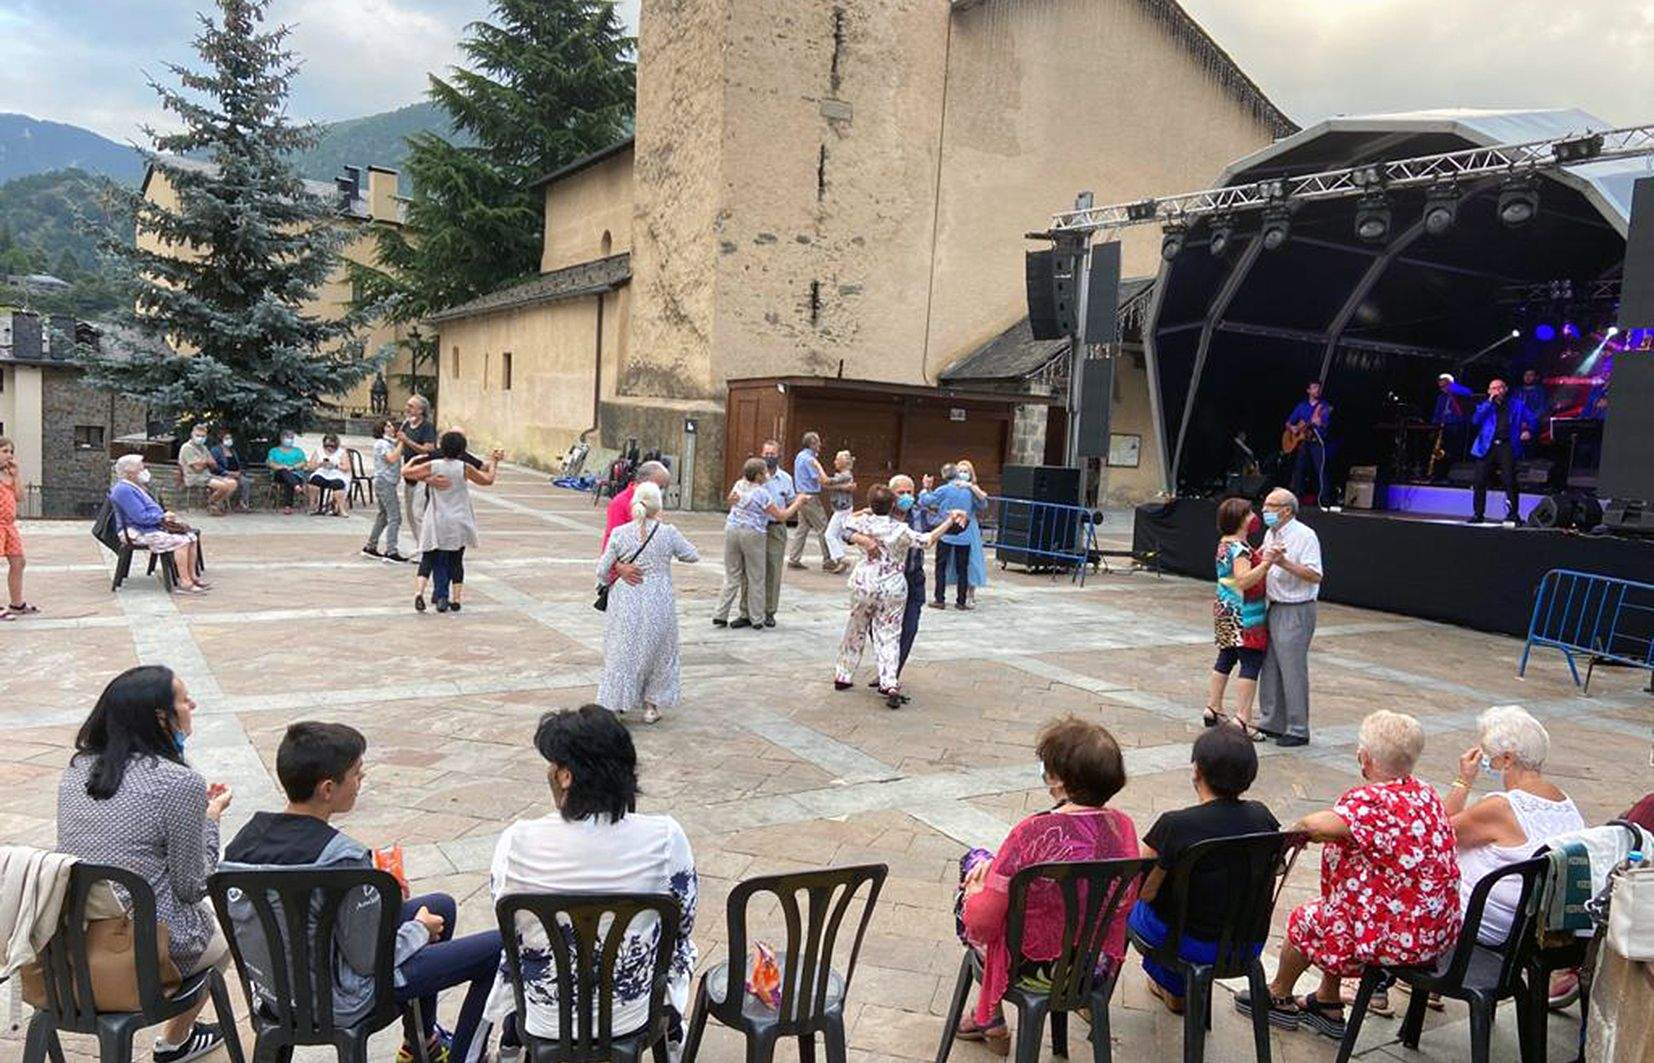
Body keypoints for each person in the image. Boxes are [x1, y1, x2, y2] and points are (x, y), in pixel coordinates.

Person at [222, 722, 503, 1063]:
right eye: (356, 774)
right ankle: (465, 1057)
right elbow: (368, 961)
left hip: (277, 996)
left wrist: (382, 901)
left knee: (440, 905)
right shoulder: (342, 858)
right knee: (497, 948)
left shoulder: (241, 846)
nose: (361, 781)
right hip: (344, 999)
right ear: (328, 788)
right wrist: (418, 930)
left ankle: (421, 1044)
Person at [482, 706, 697, 1051]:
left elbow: (506, 915)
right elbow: (683, 923)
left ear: (565, 776)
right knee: (673, 943)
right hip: (631, 1016)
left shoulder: (517, 841)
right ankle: (670, 1033)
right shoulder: (665, 838)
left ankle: (510, 1040)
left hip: (547, 1020)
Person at [1237, 710, 1459, 1041]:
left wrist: (1296, 835)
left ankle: (1278, 995)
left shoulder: (1369, 801)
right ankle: (1327, 1000)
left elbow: (1315, 825)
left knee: (1308, 918)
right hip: (1434, 931)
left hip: (1396, 940)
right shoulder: (1424, 792)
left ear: (1364, 757)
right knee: (1349, 895)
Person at [56, 665, 235, 1063]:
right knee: (224, 930)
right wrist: (210, 819)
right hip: (142, 952)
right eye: (183, 700)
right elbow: (193, 885)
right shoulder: (177, 783)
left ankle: (178, 1040)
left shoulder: (76, 770)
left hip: (71, 945)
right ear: (160, 716)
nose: (193, 705)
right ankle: (175, 1041)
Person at [954, 717, 1138, 1052]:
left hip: (1030, 968)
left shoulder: (1031, 833)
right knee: (988, 868)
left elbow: (981, 923)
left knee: (973, 869)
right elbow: (1125, 899)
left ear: (1060, 780)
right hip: (1092, 967)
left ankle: (990, 1017)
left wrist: (974, 890)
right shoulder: (1122, 827)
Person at [1129, 726, 1280, 1014]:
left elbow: (1143, 889)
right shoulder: (1263, 816)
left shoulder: (1174, 825)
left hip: (1187, 945)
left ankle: (1171, 988)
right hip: (1246, 944)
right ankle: (1176, 991)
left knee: (1131, 905)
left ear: (1196, 770)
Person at [1446, 705, 1583, 941]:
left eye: (1488, 755)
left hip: (1485, 924)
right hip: (1528, 926)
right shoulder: (1568, 805)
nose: (1485, 761)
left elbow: (1438, 833)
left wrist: (1464, 780)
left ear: (1507, 758)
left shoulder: (1501, 807)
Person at [832, 484, 959, 707]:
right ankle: (889, 681)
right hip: (892, 584)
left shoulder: (862, 522)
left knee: (855, 628)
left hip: (864, 581)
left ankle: (843, 674)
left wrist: (865, 526)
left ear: (871, 504)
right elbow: (926, 540)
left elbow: (844, 525)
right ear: (892, 505)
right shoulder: (900, 529)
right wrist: (949, 522)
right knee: (889, 633)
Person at [595, 481, 699, 724]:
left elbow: (601, 569)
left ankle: (614, 703)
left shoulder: (621, 533)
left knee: (622, 649)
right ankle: (651, 706)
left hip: (626, 597)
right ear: (658, 506)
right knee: (658, 651)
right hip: (658, 599)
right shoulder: (668, 533)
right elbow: (692, 555)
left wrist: (616, 570)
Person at [1255, 489, 1321, 747]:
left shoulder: (1305, 536)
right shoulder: (1271, 533)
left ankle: (1297, 727)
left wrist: (1283, 563)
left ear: (1287, 510)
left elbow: (1315, 574)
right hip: (1274, 604)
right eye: (1265, 505)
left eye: (1272, 506)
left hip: (1296, 606)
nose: (1266, 510)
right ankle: (1271, 720)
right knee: (1270, 665)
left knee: (1292, 668)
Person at [403, 431, 497, 614]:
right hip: (459, 518)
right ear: (462, 449)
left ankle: (419, 592)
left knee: (428, 556)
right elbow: (487, 480)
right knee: (456, 559)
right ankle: (456, 599)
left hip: (437, 517)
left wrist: (414, 462)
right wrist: (494, 463)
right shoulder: (464, 467)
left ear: (442, 447)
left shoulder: (434, 465)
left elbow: (406, 472)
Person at [714, 457, 805, 630]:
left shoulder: (739, 485)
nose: (767, 474)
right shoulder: (762, 493)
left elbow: (731, 500)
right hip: (753, 533)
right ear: (758, 476)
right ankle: (756, 617)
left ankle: (720, 614)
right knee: (756, 575)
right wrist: (798, 503)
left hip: (732, 529)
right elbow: (781, 516)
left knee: (732, 574)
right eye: (764, 472)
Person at [1208, 496, 1273, 735]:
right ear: (1240, 520)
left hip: (1225, 608)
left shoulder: (1224, 543)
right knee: (1250, 661)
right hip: (1245, 613)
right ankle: (1243, 717)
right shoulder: (1240, 549)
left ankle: (1213, 707)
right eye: (1249, 514)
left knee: (1225, 657)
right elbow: (1244, 580)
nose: (1254, 517)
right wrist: (1266, 563)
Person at [109, 455, 210, 594]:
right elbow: (140, 517)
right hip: (137, 532)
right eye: (141, 467)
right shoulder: (124, 490)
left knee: (191, 537)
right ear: (130, 473)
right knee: (182, 541)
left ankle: (193, 577)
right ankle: (185, 582)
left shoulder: (134, 486)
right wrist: (162, 517)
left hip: (147, 528)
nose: (144, 469)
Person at [891, 474, 943, 676]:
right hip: (889, 580)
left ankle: (892, 673)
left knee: (909, 627)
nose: (905, 496)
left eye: (909, 492)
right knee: (880, 629)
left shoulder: (921, 514)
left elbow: (937, 527)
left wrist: (954, 518)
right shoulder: (881, 515)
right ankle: (886, 668)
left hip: (913, 577)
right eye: (900, 493)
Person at [920, 462, 989, 610]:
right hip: (964, 533)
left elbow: (925, 501)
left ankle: (940, 599)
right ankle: (961, 601)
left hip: (946, 532)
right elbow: (983, 505)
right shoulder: (970, 492)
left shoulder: (944, 489)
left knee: (941, 567)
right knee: (962, 568)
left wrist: (925, 488)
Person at [1469, 378, 1538, 525]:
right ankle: (1478, 514)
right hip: (1486, 446)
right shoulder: (1485, 405)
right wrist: (1489, 403)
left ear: (1505, 389)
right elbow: (1475, 420)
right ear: (1489, 391)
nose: (1496, 391)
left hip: (1507, 446)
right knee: (1480, 481)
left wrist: (1527, 429)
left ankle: (1513, 515)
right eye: (1493, 388)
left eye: (1499, 388)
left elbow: (1532, 419)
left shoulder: (1517, 405)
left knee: (1510, 481)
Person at [745, 439, 795, 628]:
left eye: (773, 454)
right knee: (751, 569)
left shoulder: (786, 479)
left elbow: (790, 500)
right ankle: (747, 611)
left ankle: (769, 611)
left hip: (775, 527)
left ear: (779, 455)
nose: (769, 458)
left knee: (773, 569)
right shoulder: (753, 476)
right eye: (766, 454)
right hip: (755, 526)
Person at [363, 419, 412, 562]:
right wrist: (402, 441)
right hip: (385, 482)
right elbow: (392, 458)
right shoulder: (381, 444)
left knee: (383, 515)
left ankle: (370, 546)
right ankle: (391, 551)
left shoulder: (389, 443)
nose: (392, 428)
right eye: (388, 426)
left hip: (386, 482)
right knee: (395, 517)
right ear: (383, 429)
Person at [786, 431, 833, 569]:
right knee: (823, 526)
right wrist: (841, 485)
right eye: (818, 442)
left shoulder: (800, 456)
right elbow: (821, 479)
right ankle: (828, 560)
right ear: (812, 444)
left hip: (800, 495)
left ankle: (794, 559)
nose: (820, 445)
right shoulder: (810, 460)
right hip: (810, 496)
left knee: (802, 528)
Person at [602, 460, 671, 551]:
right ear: (645, 482)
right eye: (659, 486)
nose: (660, 491)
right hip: (625, 559)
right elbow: (613, 540)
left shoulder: (653, 501)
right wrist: (619, 565)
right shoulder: (620, 503)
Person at [0, 436, 34, 620]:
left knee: (18, 562)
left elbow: (20, 497)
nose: (9, 455)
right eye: (4, 451)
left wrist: (16, 475)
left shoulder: (9, 474)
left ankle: (16, 603)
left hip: (9, 525)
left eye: (11, 451)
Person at [398, 395, 439, 539]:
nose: (407, 408)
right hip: (409, 474)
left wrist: (407, 440)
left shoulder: (427, 427)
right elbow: (402, 445)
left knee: (417, 514)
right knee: (409, 514)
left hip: (422, 474)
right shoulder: (407, 425)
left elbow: (429, 449)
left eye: (411, 406)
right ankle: (419, 546)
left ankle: (425, 550)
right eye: (407, 405)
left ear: (421, 410)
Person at [1285, 381, 1332, 506]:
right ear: (1309, 390)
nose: (1317, 390)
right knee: (1299, 469)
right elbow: (1288, 422)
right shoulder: (1302, 406)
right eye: (1315, 388)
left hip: (1316, 441)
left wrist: (1319, 423)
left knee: (1320, 469)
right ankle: (1297, 498)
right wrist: (1293, 428)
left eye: (1319, 388)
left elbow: (1325, 424)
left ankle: (1324, 499)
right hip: (1303, 442)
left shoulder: (1324, 407)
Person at [177, 425, 238, 516]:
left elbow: (214, 465)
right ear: (192, 435)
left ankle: (215, 503)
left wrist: (204, 462)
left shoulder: (203, 448)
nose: (200, 438)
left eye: (203, 436)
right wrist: (207, 462)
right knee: (223, 486)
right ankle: (211, 503)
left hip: (207, 475)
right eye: (198, 435)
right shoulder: (187, 448)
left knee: (233, 483)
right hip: (194, 477)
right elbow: (197, 469)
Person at [820, 449, 857, 574]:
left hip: (843, 508)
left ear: (842, 462)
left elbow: (828, 482)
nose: (834, 462)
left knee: (829, 534)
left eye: (837, 460)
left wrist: (818, 469)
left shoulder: (845, 475)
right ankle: (840, 559)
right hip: (842, 507)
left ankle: (841, 558)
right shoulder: (845, 475)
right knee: (837, 535)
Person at [1431, 373, 1474, 477]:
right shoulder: (1441, 398)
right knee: (1441, 452)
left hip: (1457, 426)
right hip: (1443, 427)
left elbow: (1469, 392)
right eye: (1441, 387)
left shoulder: (1459, 395)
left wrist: (1453, 387)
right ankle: (1440, 473)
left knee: (1454, 451)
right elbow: (1437, 413)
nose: (1443, 388)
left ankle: (1453, 472)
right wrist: (1434, 426)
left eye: (1445, 385)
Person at [306, 433, 352, 516]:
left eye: (332, 446)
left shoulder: (341, 452)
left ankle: (341, 509)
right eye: (327, 445)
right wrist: (320, 464)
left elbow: (347, 467)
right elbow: (310, 466)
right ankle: (312, 506)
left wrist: (336, 466)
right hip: (322, 473)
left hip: (337, 474)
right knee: (314, 481)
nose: (329, 448)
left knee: (339, 484)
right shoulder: (318, 451)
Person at [207, 427, 252, 512]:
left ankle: (242, 503)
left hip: (235, 474)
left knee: (246, 481)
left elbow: (238, 464)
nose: (229, 440)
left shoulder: (233, 451)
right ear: (221, 439)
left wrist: (239, 471)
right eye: (227, 438)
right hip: (222, 475)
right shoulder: (216, 450)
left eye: (230, 438)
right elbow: (214, 466)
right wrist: (227, 472)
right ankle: (219, 503)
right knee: (231, 483)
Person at [265, 430, 308, 514]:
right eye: (287, 437)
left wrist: (293, 467)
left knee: (289, 480)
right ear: (281, 438)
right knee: (284, 471)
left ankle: (288, 507)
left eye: (291, 438)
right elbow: (270, 463)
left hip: (295, 474)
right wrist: (281, 467)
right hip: (279, 474)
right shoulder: (274, 451)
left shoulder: (298, 451)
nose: (290, 440)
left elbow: (303, 462)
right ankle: (297, 487)